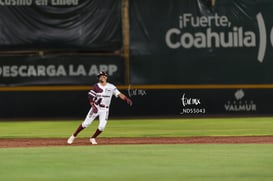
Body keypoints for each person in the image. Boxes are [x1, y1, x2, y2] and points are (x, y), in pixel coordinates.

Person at [67, 71, 132, 145]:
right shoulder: (96, 86)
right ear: (99, 78)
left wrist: (126, 99)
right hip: (96, 107)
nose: (102, 77)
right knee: (86, 124)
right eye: (101, 76)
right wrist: (93, 105)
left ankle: (93, 138)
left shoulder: (111, 87)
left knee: (102, 127)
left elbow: (119, 94)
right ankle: (73, 136)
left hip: (105, 109)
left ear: (106, 77)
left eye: (104, 76)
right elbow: (90, 97)